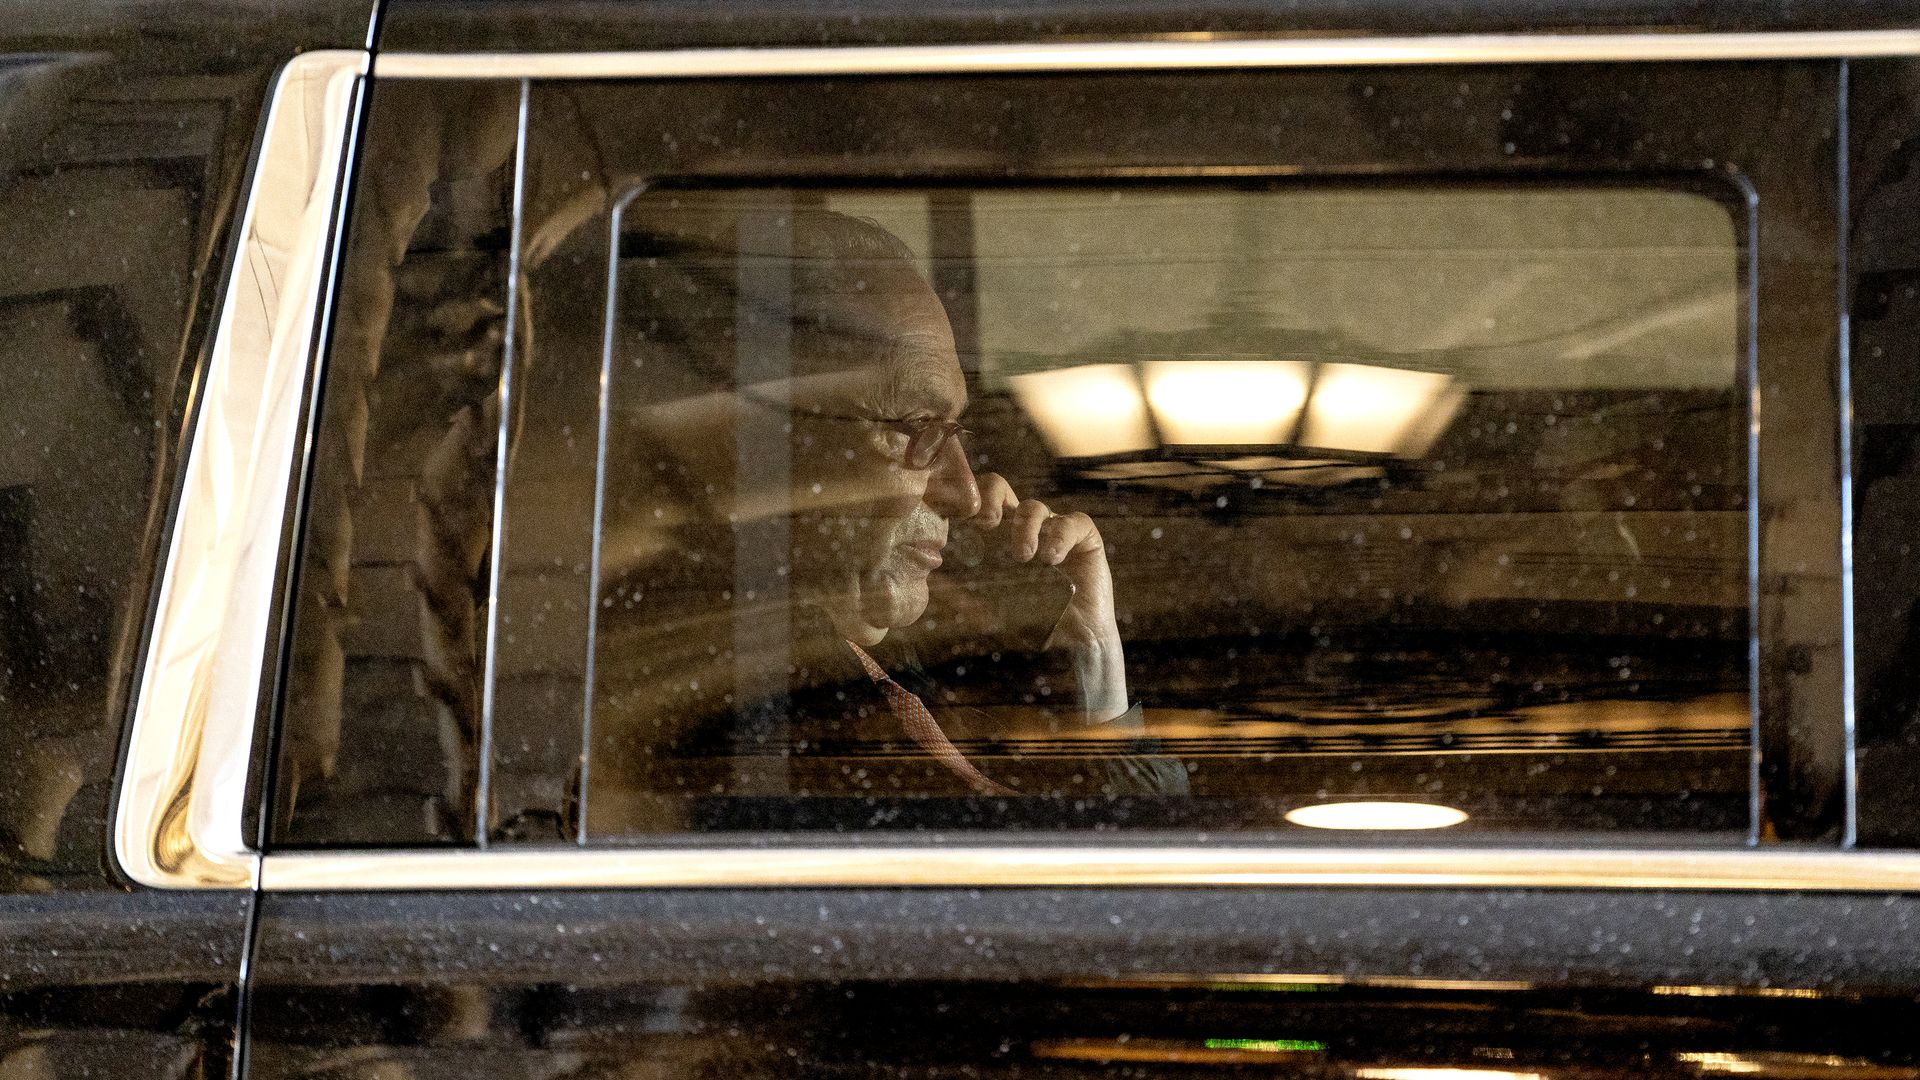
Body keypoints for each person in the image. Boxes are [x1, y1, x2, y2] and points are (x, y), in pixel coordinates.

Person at [596, 201, 1185, 821]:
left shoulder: (884, 674)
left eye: (953, 431)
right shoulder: (715, 686)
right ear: (763, 441)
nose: (964, 494)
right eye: (915, 428)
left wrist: (1089, 658)